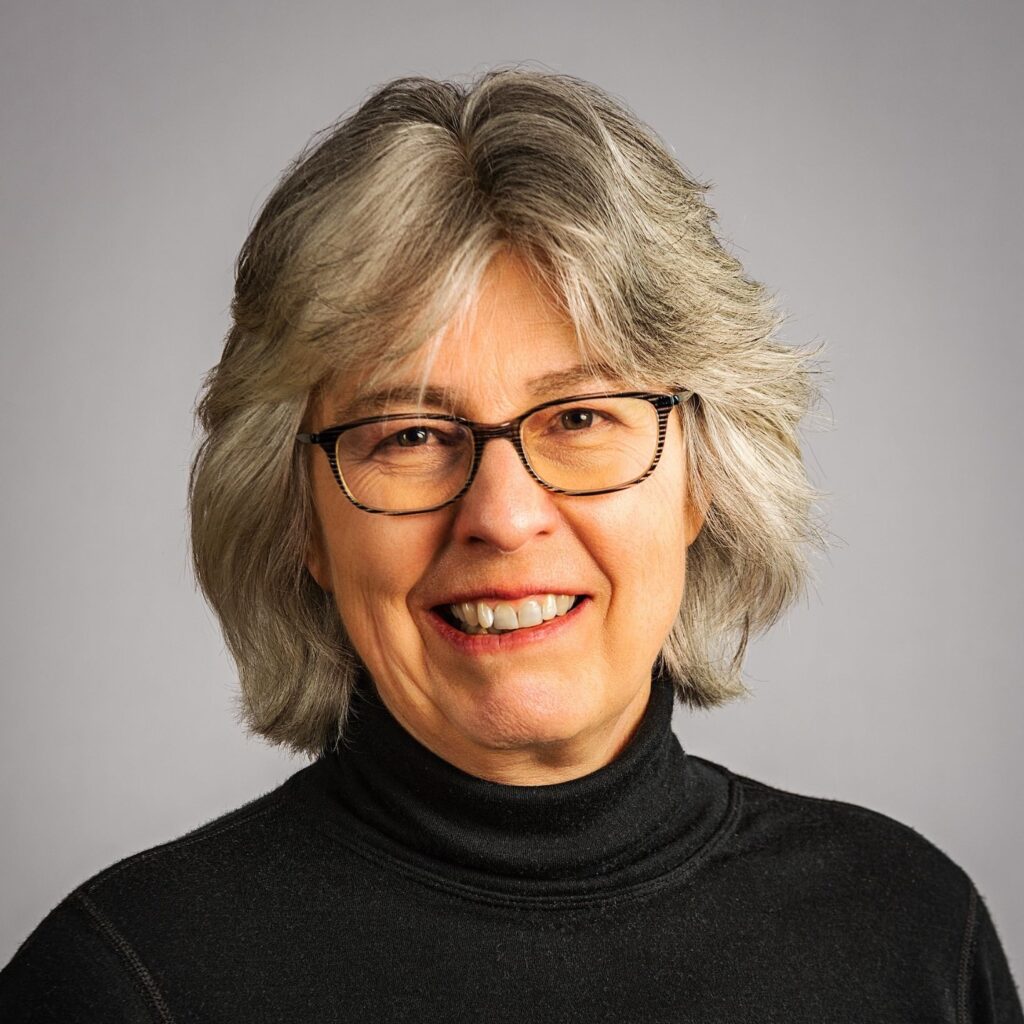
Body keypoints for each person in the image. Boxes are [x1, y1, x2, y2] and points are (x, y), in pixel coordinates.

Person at [1, 67, 1020, 1022]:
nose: (501, 513)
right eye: (406, 434)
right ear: (302, 517)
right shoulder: (126, 983)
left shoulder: (909, 936)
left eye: (578, 418)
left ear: (698, 479)